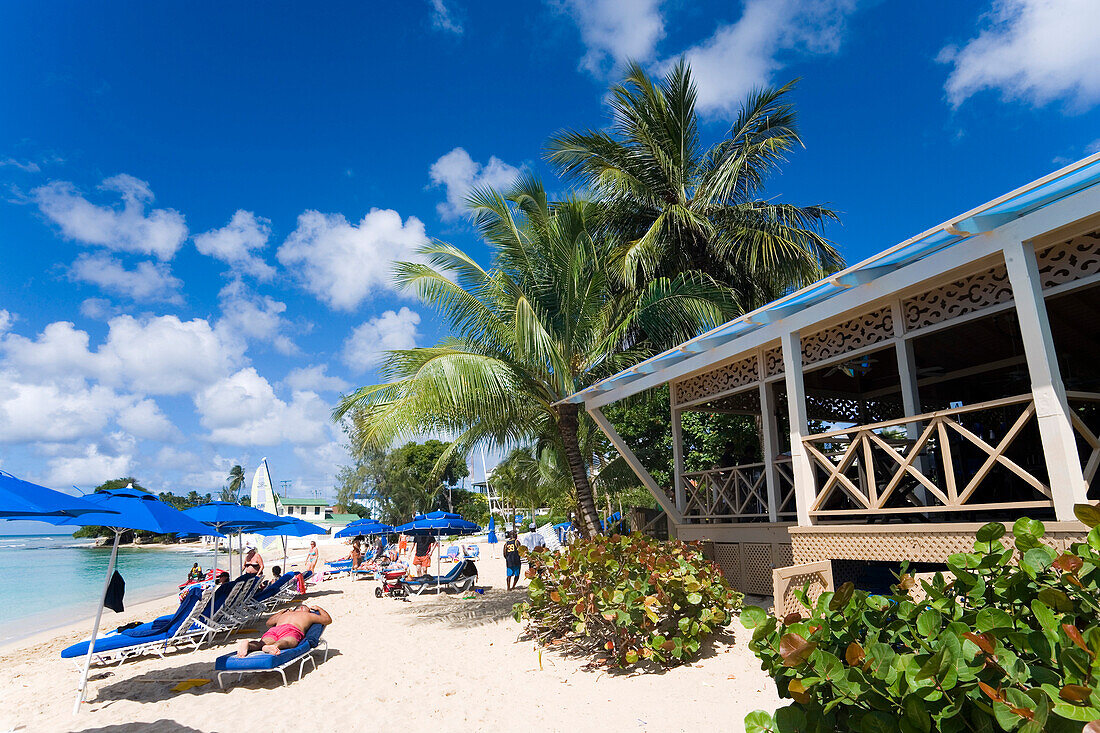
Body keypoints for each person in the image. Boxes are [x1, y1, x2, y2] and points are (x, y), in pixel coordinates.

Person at [235, 604, 332, 657]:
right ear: (303, 608)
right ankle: (274, 646)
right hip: (292, 629)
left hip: (275, 629)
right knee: (288, 641)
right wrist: (319, 608)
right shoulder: (308, 615)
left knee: (262, 643)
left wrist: (280, 612)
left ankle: (249, 644)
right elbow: (327, 620)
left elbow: (269, 623)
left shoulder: (284, 615)